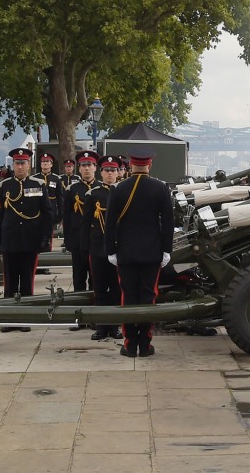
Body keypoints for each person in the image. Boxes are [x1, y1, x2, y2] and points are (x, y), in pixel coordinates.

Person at [104, 146, 174, 358]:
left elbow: (109, 224)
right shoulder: (161, 188)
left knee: (128, 297)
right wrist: (166, 251)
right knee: (148, 297)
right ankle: (145, 343)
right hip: (151, 253)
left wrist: (111, 251)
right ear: (149, 164)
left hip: (126, 253)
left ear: (131, 164)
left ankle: (130, 343)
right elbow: (168, 223)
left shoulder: (118, 189)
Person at [0, 147, 53, 332]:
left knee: (27, 281)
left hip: (30, 239)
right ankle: (9, 318)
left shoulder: (37, 185)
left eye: (23, 163)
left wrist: (45, 238)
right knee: (10, 281)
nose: (20, 167)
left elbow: (47, 213)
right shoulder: (4, 186)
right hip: (10, 239)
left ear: (29, 165)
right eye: (17, 163)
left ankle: (26, 317)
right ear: (13, 165)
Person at [81, 154, 123, 341]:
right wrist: (85, 247)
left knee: (116, 288)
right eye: (106, 170)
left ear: (118, 172)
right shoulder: (93, 194)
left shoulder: (123, 192)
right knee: (99, 288)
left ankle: (114, 326)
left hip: (118, 247)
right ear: (101, 172)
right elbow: (86, 222)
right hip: (98, 247)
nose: (109, 174)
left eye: (113, 170)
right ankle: (101, 326)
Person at [62, 150, 98, 296]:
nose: (87, 168)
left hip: (96, 240)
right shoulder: (72, 190)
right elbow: (67, 217)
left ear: (95, 167)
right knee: (79, 276)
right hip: (78, 240)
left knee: (96, 277)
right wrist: (68, 240)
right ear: (79, 168)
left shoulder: (102, 188)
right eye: (83, 165)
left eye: (90, 165)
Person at [33, 152, 64, 251]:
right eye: (43, 161)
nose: (45, 163)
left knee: (48, 235)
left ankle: (47, 253)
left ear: (51, 164)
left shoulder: (56, 179)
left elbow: (60, 198)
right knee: (37, 235)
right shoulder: (35, 178)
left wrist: (60, 214)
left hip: (51, 210)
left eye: (47, 161)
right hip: (38, 211)